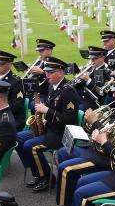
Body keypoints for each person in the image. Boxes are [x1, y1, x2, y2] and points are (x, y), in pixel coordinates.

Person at [47, 74, 115, 206]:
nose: (114, 95)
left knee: (66, 169)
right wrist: (92, 123)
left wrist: (95, 122)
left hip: (106, 157)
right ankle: (72, 194)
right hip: (96, 149)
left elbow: (113, 136)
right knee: (63, 152)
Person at [16, 56, 81, 192]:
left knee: (30, 146)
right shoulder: (53, 86)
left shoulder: (68, 90)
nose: (46, 74)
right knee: (18, 138)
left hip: (61, 133)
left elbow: (68, 119)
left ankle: (48, 178)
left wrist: (47, 111)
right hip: (50, 128)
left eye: (50, 72)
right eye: (46, 71)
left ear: (61, 72)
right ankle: (38, 171)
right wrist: (45, 118)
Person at [0, 49, 26, 132]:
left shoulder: (17, 82)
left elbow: (17, 105)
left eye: (0, 64)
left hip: (12, 118)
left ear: (10, 64)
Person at [74, 46, 109, 111]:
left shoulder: (105, 71)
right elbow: (78, 88)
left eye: (94, 59)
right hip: (82, 98)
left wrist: (88, 80)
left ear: (102, 58)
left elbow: (100, 93)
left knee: (78, 108)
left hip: (93, 103)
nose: (92, 61)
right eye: (91, 59)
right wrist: (78, 79)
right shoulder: (90, 69)